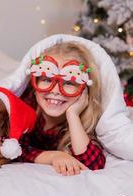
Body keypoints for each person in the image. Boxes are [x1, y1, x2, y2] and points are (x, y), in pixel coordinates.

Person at [20, 42, 106, 176]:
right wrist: (54, 156)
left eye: (69, 83)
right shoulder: (26, 105)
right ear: (35, 82)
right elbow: (13, 148)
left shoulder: (82, 120)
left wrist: (73, 116)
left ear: (84, 90)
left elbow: (93, 164)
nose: (55, 91)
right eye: (47, 80)